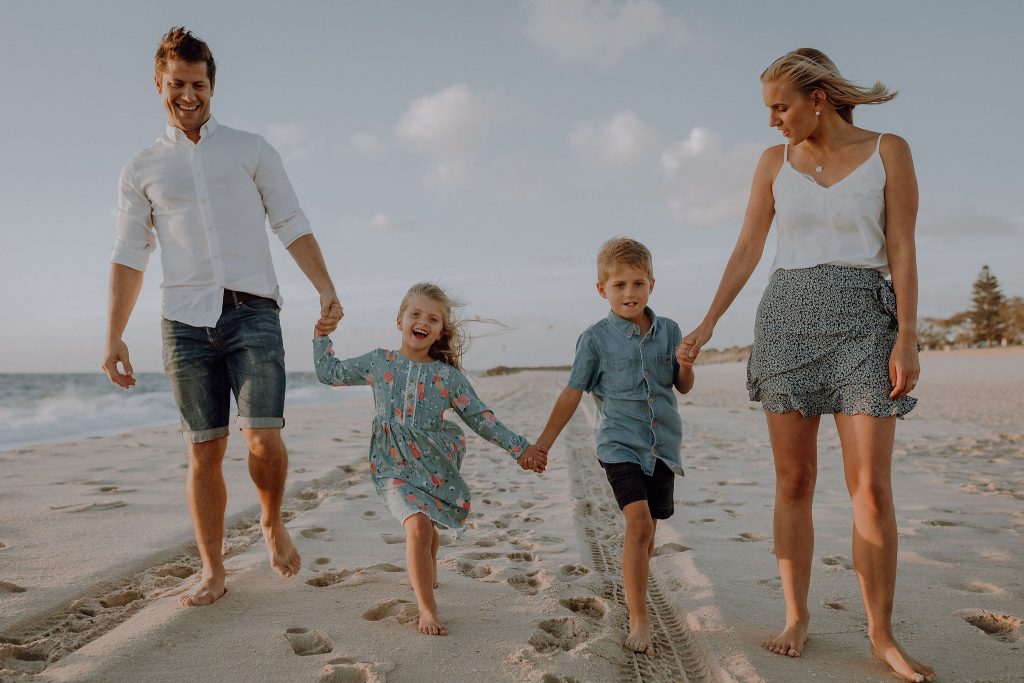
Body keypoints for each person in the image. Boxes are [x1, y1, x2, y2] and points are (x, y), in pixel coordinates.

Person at [678, 49, 933, 682]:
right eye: (768, 108)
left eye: (780, 106)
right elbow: (748, 247)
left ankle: (881, 634)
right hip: (786, 319)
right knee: (794, 480)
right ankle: (796, 616)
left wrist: (907, 335)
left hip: (865, 322)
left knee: (869, 487)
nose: (772, 120)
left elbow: (902, 246)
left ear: (817, 99)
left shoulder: (889, 151)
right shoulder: (773, 163)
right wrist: (709, 322)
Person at [101, 27, 343, 607]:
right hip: (183, 323)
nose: (189, 95)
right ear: (159, 83)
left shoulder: (251, 149)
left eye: (199, 84)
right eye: (178, 84)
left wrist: (325, 289)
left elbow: (290, 220)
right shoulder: (141, 168)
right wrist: (113, 336)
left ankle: (270, 519)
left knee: (263, 437)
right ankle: (212, 570)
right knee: (205, 449)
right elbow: (130, 255)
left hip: (253, 311)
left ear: (213, 85)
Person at [313, 282, 547, 636]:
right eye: (416, 314)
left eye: (433, 319)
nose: (423, 322)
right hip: (391, 464)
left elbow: (482, 419)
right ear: (400, 320)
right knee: (419, 526)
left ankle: (429, 567)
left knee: (428, 525)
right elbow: (330, 373)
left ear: (440, 330)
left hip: (432, 463)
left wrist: (520, 448)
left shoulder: (448, 378)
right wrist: (321, 335)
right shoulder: (379, 361)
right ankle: (426, 608)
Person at [534, 238, 694, 656]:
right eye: (619, 284)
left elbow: (680, 385)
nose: (629, 293)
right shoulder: (595, 340)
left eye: (637, 283)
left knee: (649, 533)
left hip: (662, 446)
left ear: (652, 284)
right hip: (619, 444)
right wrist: (543, 444)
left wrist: (688, 363)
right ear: (602, 289)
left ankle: (635, 580)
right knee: (638, 524)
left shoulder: (670, 331)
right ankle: (640, 617)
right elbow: (572, 394)